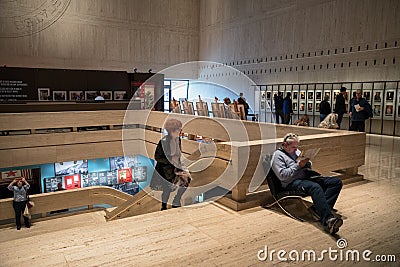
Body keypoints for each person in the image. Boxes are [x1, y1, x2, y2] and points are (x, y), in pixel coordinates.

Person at [271, 133, 343, 234]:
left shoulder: (296, 152)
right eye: (293, 147)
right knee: (315, 187)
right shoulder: (277, 156)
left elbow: (307, 166)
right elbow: (282, 176)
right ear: (285, 145)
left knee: (336, 182)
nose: (296, 150)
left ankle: (317, 209)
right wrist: (297, 166)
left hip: (306, 177)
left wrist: (307, 163)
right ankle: (328, 219)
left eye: (297, 147)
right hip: (291, 183)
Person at [150, 118, 190, 210]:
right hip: (165, 169)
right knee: (167, 189)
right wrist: (170, 160)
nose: (180, 131)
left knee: (186, 180)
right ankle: (164, 206)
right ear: (172, 130)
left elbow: (178, 154)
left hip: (176, 166)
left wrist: (180, 166)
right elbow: (157, 157)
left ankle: (177, 199)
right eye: (178, 129)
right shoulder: (163, 142)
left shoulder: (178, 140)